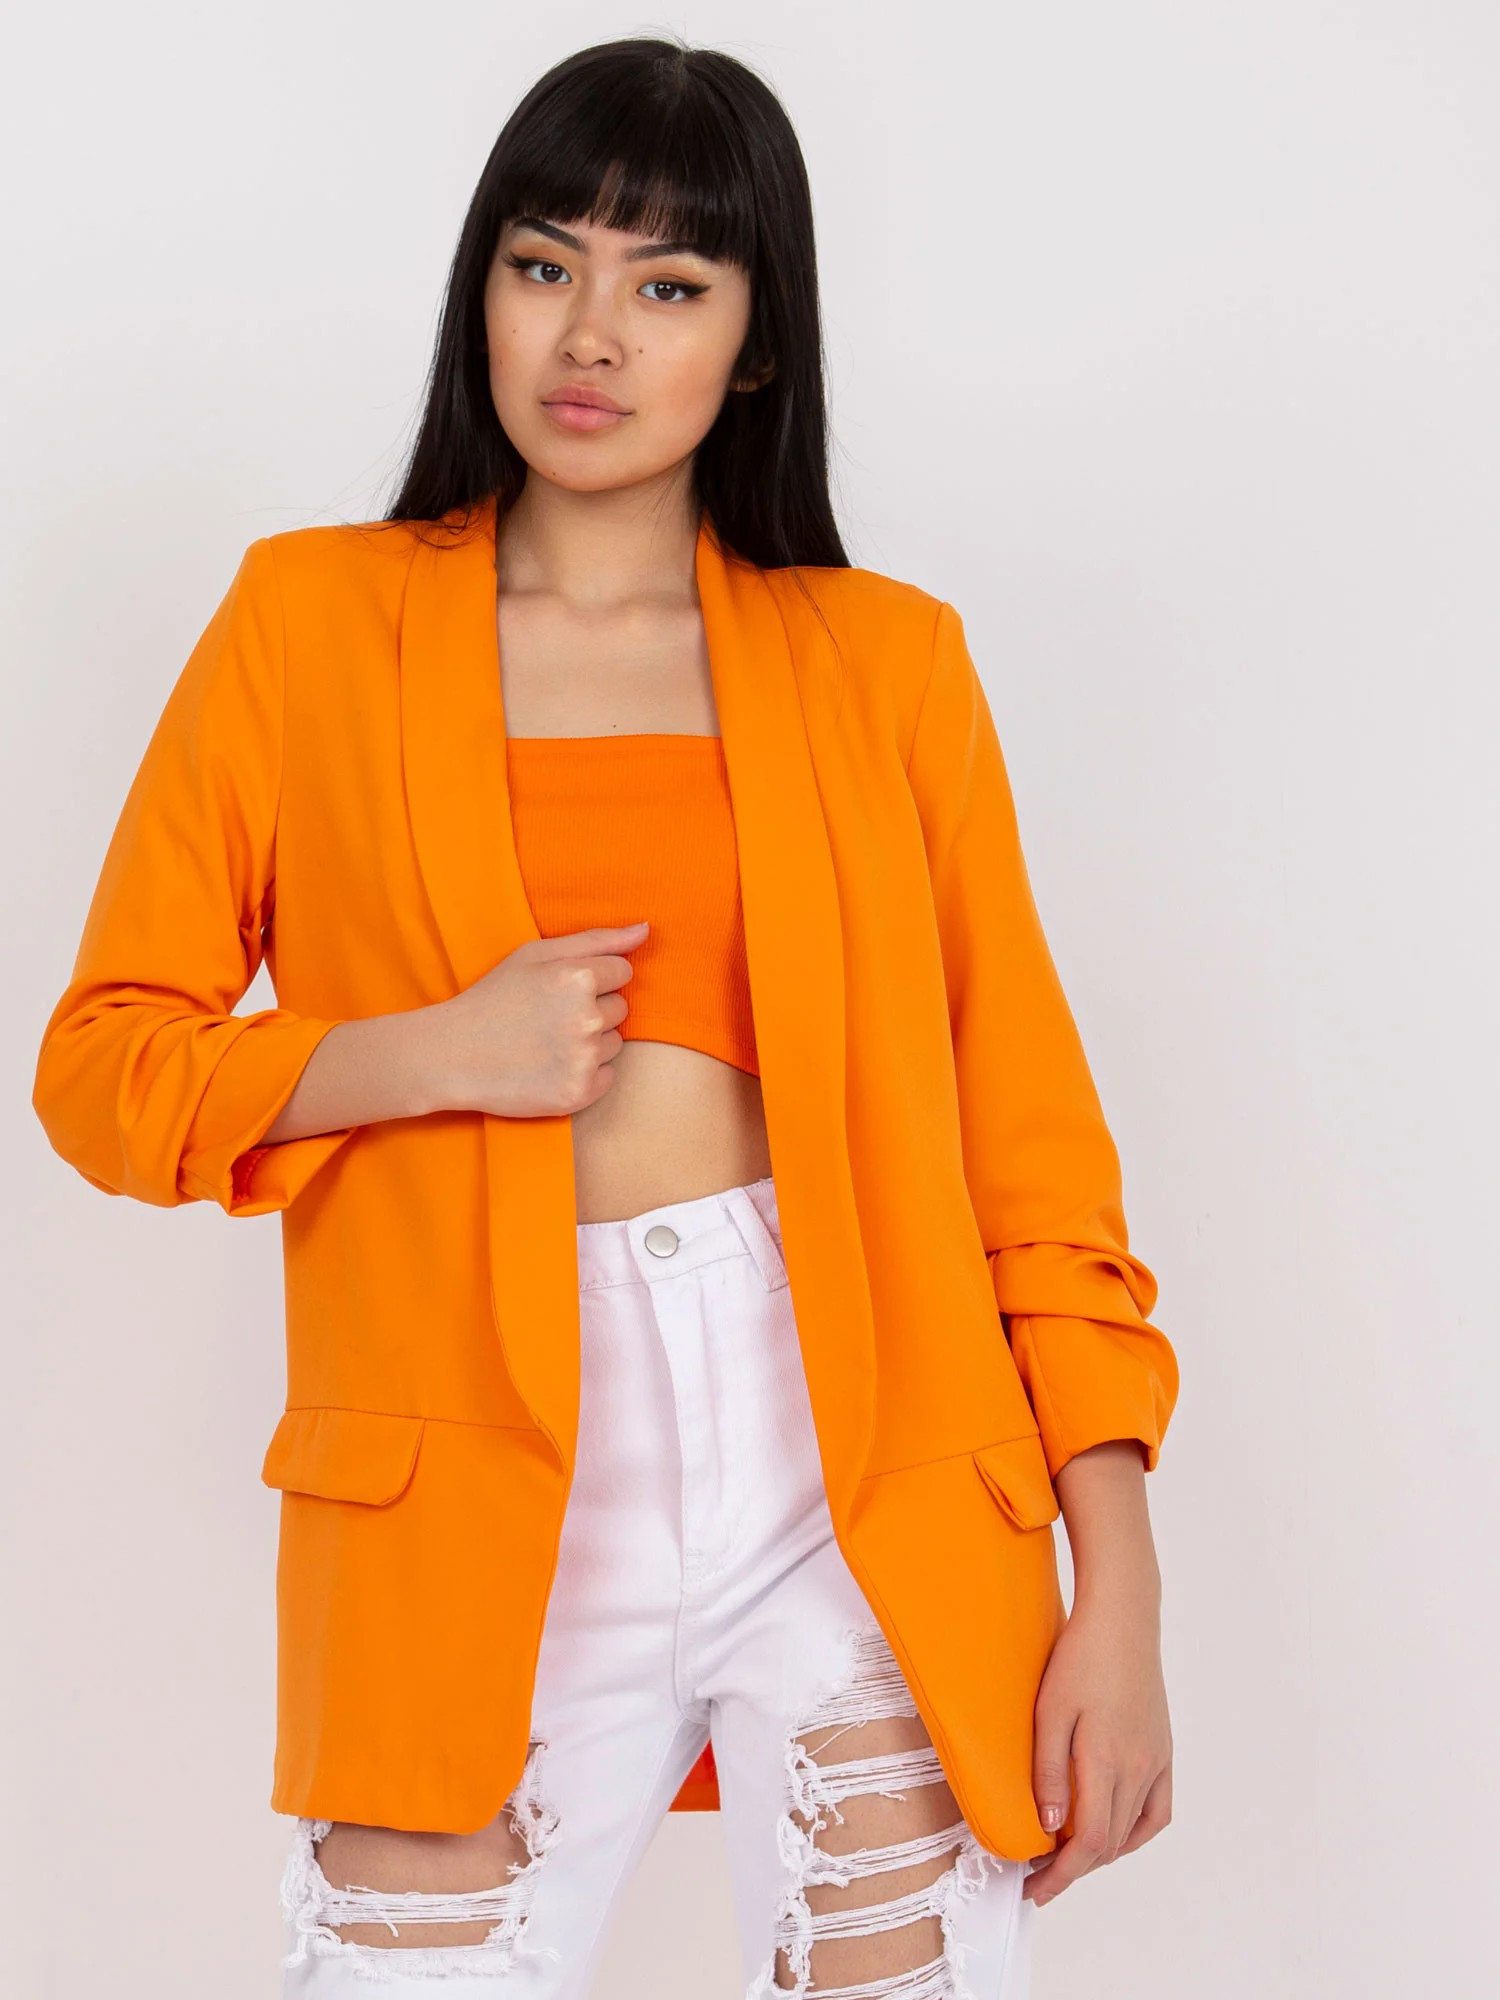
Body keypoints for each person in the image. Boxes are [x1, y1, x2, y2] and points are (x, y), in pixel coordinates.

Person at [32, 37, 1179, 2000]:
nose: (591, 333)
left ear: (755, 339)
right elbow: (102, 1068)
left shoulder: (887, 663)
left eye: (670, 284)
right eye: (544, 262)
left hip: (861, 1468)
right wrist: (427, 1052)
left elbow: (1032, 1157)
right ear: (479, 286)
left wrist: (1122, 1585)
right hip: (467, 1477)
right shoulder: (306, 625)